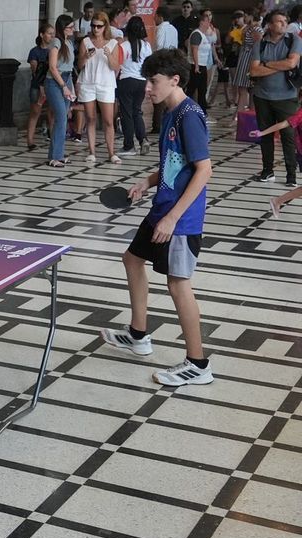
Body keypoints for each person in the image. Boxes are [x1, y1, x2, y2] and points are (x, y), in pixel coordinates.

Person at [101, 47, 214, 386]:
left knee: (178, 284)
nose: (148, 87)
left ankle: (198, 364)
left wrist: (173, 218)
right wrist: (146, 182)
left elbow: (204, 170)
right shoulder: (169, 113)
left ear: (174, 80)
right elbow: (173, 164)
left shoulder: (189, 116)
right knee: (132, 259)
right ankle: (138, 336)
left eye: (154, 81)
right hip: (161, 209)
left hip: (179, 219)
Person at [249, 8, 302, 186]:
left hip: (286, 96)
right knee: (265, 134)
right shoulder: (260, 44)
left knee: (288, 134)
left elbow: (292, 62)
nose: (283, 24)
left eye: (285, 22)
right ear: (270, 25)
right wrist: (280, 65)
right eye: (279, 21)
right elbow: (254, 70)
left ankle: (291, 175)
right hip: (262, 95)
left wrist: (267, 64)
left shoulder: (294, 40)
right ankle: (267, 171)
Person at [78, 12, 124, 164]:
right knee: (90, 118)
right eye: (93, 26)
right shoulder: (85, 42)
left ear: (105, 27)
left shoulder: (112, 43)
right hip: (88, 82)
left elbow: (116, 66)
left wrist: (109, 55)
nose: (95, 29)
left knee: (108, 120)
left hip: (106, 84)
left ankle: (111, 153)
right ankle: (91, 152)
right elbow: (79, 65)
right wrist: (86, 57)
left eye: (99, 26)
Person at [118, 16, 153, 155]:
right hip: (141, 81)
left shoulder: (124, 46)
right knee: (137, 111)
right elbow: (149, 65)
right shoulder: (147, 46)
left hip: (126, 81)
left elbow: (117, 65)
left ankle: (129, 146)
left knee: (126, 114)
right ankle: (143, 139)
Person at [47, 15, 78, 167]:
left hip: (66, 79)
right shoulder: (56, 42)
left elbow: (70, 69)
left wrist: (70, 87)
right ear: (62, 27)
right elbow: (52, 67)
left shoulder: (69, 43)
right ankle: (56, 156)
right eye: (70, 27)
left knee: (63, 117)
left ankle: (56, 153)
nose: (73, 30)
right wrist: (64, 86)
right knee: (61, 117)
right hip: (54, 82)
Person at [151, 6, 180, 133]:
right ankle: (169, 123)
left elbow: (159, 46)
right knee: (170, 92)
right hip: (172, 63)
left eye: (155, 16)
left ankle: (157, 125)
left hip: (161, 64)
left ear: (160, 17)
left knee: (158, 93)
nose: (154, 18)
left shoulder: (160, 28)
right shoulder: (174, 29)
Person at [27, 24, 55, 151]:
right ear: (42, 34)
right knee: (35, 112)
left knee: (52, 112)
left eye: (52, 33)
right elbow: (35, 71)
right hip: (38, 86)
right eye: (49, 33)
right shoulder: (35, 51)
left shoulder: (52, 50)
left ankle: (53, 137)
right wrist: (41, 87)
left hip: (50, 85)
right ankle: (30, 140)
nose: (51, 36)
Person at [187, 9, 219, 111]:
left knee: (202, 90)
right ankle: (184, 109)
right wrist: (196, 65)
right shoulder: (196, 34)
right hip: (196, 66)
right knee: (191, 90)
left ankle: (203, 112)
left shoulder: (204, 35)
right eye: (207, 21)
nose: (209, 23)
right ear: (202, 22)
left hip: (203, 65)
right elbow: (194, 50)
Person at [233, 11, 264, 115]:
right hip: (244, 57)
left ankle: (239, 115)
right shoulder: (250, 28)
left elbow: (258, 46)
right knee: (245, 89)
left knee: (244, 88)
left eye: (246, 16)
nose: (245, 18)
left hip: (249, 59)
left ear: (251, 16)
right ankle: (244, 115)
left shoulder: (256, 29)